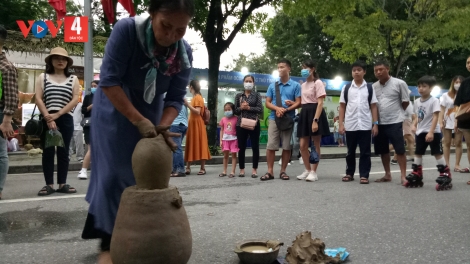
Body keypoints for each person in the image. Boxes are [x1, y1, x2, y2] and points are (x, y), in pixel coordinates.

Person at [81, 1, 194, 263]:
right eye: (166, 26)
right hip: (114, 105)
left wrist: (162, 124)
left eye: (180, 30)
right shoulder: (126, 31)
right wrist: (137, 119)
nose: (171, 35)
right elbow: (108, 80)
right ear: (153, 14)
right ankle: (109, 244)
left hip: (151, 107)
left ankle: (142, 236)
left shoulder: (183, 52)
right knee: (113, 175)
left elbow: (175, 98)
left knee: (140, 175)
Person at [35, 47, 80, 196]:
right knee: (47, 152)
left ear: (67, 62)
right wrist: (48, 116)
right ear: (51, 61)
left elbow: (75, 99)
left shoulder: (73, 79)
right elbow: (38, 98)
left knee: (64, 151)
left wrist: (59, 114)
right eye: (56, 58)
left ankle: (62, 183)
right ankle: (48, 184)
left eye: (63, 59)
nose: (60, 61)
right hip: (47, 118)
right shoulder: (43, 77)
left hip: (65, 118)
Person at [405, 76, 451, 190]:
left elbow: (436, 116)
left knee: (437, 153)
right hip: (420, 132)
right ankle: (417, 173)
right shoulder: (416, 101)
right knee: (418, 152)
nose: (421, 89)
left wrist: (431, 132)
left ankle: (445, 173)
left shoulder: (434, 101)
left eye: (424, 86)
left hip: (432, 132)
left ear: (430, 88)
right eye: (419, 86)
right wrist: (414, 124)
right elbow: (418, 116)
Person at [338, 61, 378, 184]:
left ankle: (364, 175)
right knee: (350, 151)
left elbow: (373, 106)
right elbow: (342, 106)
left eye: (359, 70)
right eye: (354, 70)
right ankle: (349, 173)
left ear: (364, 72)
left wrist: (375, 124)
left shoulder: (370, 88)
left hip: (365, 125)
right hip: (351, 125)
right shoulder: (347, 88)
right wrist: (341, 124)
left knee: (365, 152)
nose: (356, 72)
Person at [261, 58, 301, 181]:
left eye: (282, 67)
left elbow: (299, 102)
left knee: (286, 146)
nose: (280, 69)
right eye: (278, 67)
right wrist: (277, 109)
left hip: (288, 118)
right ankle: (270, 171)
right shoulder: (273, 85)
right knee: (271, 146)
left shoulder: (296, 85)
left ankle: (283, 171)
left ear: (289, 69)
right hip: (274, 118)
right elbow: (267, 103)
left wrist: (287, 109)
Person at [372, 60, 410, 185]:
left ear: (388, 69)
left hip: (395, 121)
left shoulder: (399, 83)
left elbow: (405, 101)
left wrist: (398, 114)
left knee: (399, 149)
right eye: (376, 70)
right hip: (380, 123)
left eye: (381, 69)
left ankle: (403, 176)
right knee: (383, 150)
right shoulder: (373, 86)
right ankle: (387, 174)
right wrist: (375, 123)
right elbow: (374, 106)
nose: (378, 72)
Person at [295, 59, 330, 182]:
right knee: (302, 145)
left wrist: (315, 120)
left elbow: (320, 103)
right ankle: (307, 169)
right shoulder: (302, 85)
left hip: (315, 113)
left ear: (313, 69)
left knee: (315, 144)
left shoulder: (318, 83)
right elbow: (303, 102)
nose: (303, 70)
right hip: (304, 113)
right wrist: (293, 104)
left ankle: (314, 172)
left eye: (306, 67)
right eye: (302, 67)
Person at [0, 26, 19, 200]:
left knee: (0, 152)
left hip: (1, 114)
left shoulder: (6, 67)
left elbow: (12, 97)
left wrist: (6, 120)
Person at [234, 75, 262, 178]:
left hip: (254, 123)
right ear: (243, 82)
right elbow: (235, 111)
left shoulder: (257, 95)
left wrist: (249, 107)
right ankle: (242, 169)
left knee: (255, 147)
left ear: (253, 83)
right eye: (246, 81)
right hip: (241, 124)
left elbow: (260, 109)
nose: (248, 83)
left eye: (250, 81)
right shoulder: (239, 96)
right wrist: (241, 107)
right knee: (241, 147)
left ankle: (254, 170)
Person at [184, 80, 211, 175]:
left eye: (189, 86)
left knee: (201, 143)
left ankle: (202, 168)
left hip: (197, 123)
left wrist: (187, 105)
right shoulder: (195, 97)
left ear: (191, 87)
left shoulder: (198, 97)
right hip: (192, 123)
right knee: (191, 143)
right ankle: (188, 167)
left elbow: (198, 112)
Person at [439, 76, 465, 172]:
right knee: (447, 142)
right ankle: (447, 164)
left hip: (460, 120)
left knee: (458, 142)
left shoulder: (464, 95)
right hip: (447, 120)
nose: (457, 84)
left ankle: (457, 164)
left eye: (460, 82)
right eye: (456, 82)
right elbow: (441, 110)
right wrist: (440, 121)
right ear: (452, 83)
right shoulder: (445, 95)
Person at [77, 80, 98, 180]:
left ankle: (97, 170)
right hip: (89, 125)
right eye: (92, 86)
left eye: (95, 86)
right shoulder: (88, 97)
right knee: (91, 148)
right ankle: (84, 170)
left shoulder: (104, 97)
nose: (93, 88)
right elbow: (83, 110)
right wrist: (91, 106)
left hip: (101, 125)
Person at [454, 56, 470, 181]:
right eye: (468, 62)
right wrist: (455, 120)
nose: (469, 64)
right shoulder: (465, 82)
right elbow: (458, 103)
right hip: (466, 118)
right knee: (469, 146)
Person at [219, 102, 239, 178]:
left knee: (234, 155)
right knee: (225, 156)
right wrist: (221, 140)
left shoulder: (236, 118)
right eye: (225, 110)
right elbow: (221, 130)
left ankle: (232, 172)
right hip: (225, 139)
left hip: (234, 139)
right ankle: (224, 171)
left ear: (233, 110)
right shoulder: (223, 119)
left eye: (229, 109)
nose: (227, 111)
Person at [170, 102, 188, 177]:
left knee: (176, 148)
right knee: (176, 147)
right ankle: (174, 169)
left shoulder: (172, 99)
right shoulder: (183, 100)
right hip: (183, 125)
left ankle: (180, 170)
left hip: (175, 124)